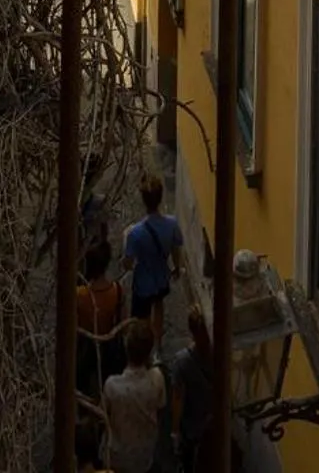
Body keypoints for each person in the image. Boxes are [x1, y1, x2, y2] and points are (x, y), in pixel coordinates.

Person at [121, 173, 182, 342]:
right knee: (159, 305)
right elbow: (176, 249)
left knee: (142, 317)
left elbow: (128, 264)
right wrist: (176, 267)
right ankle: (157, 342)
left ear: (143, 200)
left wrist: (125, 243)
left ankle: (145, 347)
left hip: (143, 282)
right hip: (162, 276)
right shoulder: (172, 224)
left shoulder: (135, 233)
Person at [102, 318, 166, 473]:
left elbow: (103, 416)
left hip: (117, 456)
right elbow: (161, 407)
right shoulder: (157, 378)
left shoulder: (111, 385)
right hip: (144, 455)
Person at [76, 237, 126, 402]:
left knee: (81, 385)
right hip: (108, 346)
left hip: (84, 345)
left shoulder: (80, 295)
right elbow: (123, 323)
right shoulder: (117, 291)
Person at [170, 305, 213, 472]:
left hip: (192, 425)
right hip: (213, 418)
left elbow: (178, 399)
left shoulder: (182, 362)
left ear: (191, 331)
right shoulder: (221, 352)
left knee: (189, 460)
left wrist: (174, 431)